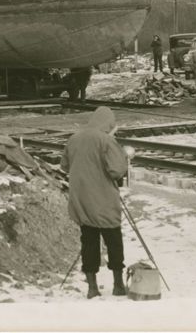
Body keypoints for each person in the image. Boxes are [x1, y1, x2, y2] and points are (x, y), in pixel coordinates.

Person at [61, 106, 130, 299]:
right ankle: (118, 285)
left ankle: (92, 288)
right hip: (104, 198)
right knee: (113, 240)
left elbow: (64, 166)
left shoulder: (74, 138)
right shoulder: (107, 140)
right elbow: (116, 171)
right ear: (108, 123)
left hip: (81, 198)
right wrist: (125, 157)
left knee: (89, 240)